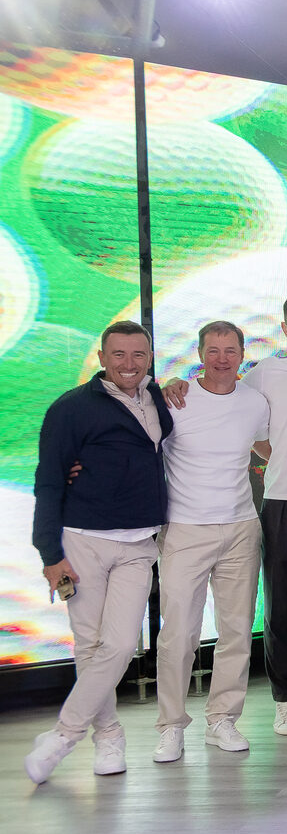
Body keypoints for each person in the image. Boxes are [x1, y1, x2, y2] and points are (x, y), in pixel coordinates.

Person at [170, 292, 287, 737]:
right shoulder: (265, 373)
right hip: (281, 501)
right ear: (285, 329)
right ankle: (284, 701)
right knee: (279, 609)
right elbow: (232, 406)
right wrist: (175, 383)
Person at [25, 323, 173, 784]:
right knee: (90, 646)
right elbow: (49, 481)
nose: (129, 364)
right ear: (102, 357)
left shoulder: (159, 399)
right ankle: (107, 736)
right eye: (119, 354)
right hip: (82, 540)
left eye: (139, 354)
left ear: (150, 357)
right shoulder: (71, 408)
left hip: (140, 543)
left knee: (122, 644)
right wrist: (50, 555)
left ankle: (62, 735)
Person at [152, 321, 270, 763]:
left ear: (242, 354)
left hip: (241, 527)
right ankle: (170, 726)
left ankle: (223, 719)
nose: (222, 358)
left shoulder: (255, 402)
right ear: (200, 354)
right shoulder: (174, 401)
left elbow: (268, 449)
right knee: (178, 634)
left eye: (230, 350)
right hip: (185, 529)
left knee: (237, 630)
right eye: (213, 350)